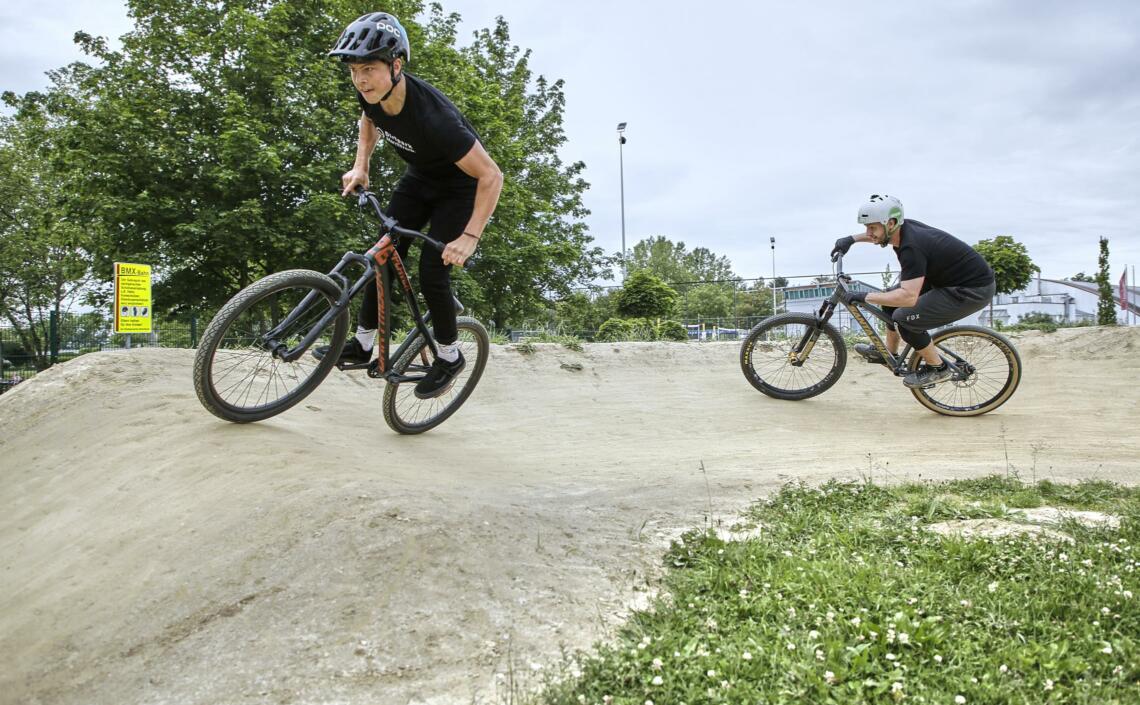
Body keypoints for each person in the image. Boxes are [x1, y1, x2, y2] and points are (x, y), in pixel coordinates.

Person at [320, 12, 503, 399]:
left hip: (460, 189)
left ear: (396, 65)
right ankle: (363, 343)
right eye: (354, 71)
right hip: (420, 179)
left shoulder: (437, 120)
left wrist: (470, 237)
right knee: (381, 254)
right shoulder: (371, 94)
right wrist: (360, 167)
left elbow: (491, 176)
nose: (361, 79)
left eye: (369, 68)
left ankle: (450, 357)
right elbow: (367, 121)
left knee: (431, 271)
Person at [831, 195, 996, 388]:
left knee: (905, 319)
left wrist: (862, 296)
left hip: (971, 290)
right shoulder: (903, 228)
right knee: (888, 302)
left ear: (890, 223)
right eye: (866, 227)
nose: (869, 233)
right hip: (946, 280)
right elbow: (877, 235)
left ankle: (938, 368)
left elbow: (908, 297)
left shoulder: (911, 247)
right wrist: (850, 240)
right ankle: (887, 354)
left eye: (872, 228)